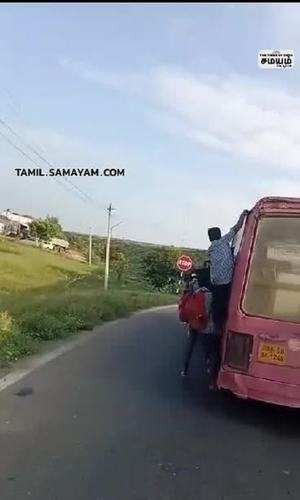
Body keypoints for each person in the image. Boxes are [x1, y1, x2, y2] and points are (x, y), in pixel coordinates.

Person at [208, 209, 249, 333]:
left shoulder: (210, 250)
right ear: (219, 235)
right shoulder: (224, 241)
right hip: (227, 283)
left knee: (217, 308)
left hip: (215, 284)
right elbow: (236, 227)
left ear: (210, 238)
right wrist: (243, 215)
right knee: (227, 307)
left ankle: (215, 328)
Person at [179, 272, 212, 377]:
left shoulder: (194, 291)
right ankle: (208, 366)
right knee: (206, 347)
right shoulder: (209, 294)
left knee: (190, 346)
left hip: (193, 322)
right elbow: (209, 311)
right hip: (204, 323)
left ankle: (185, 368)